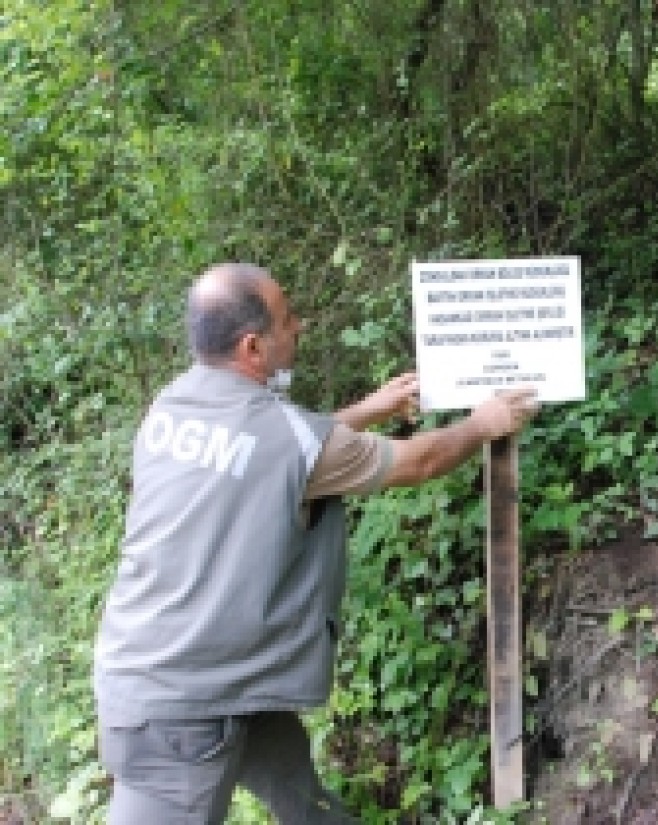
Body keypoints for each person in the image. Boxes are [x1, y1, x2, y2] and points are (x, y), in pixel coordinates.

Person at [92, 262, 538, 823]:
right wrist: (482, 425)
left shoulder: (173, 405)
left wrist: (371, 408)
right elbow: (416, 461)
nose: (300, 327)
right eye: (287, 320)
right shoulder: (284, 440)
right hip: (177, 708)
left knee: (304, 804)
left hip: (208, 673)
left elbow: (276, 450)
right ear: (253, 347)